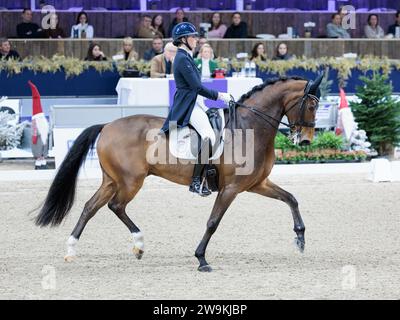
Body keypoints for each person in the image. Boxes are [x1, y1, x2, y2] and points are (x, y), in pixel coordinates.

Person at [160, 22, 231, 196]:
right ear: (183, 39)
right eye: (192, 36)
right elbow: (197, 86)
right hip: (188, 104)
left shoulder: (187, 56)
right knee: (209, 135)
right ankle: (196, 181)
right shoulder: (182, 58)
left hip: (195, 102)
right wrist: (220, 96)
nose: (196, 39)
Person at [28, 81, 50, 170]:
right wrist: (34, 136)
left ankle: (42, 164)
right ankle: (39, 164)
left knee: (42, 150)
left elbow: (37, 97)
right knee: (39, 150)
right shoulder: (37, 121)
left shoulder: (40, 121)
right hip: (38, 138)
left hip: (41, 138)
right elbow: (36, 97)